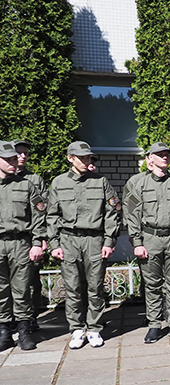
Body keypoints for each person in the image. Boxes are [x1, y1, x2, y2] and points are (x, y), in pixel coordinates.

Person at [47, 141, 121, 349]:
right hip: (69, 240)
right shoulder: (59, 183)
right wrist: (54, 244)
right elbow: (52, 215)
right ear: (70, 158)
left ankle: (94, 328)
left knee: (95, 286)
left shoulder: (100, 182)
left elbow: (112, 213)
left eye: (88, 157)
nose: (87, 160)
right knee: (73, 286)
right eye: (82, 157)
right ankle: (77, 329)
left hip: (95, 240)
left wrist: (109, 241)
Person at [123, 142, 170, 343]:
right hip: (149, 238)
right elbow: (132, 214)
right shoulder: (138, 183)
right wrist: (137, 242)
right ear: (149, 159)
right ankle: (154, 325)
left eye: (167, 154)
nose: (165, 157)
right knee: (152, 284)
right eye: (160, 154)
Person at [0, 141, 46, 351]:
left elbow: (38, 216)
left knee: (22, 288)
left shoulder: (25, 185)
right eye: (8, 159)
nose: (14, 162)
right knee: (1, 289)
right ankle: (4, 331)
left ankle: (24, 329)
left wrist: (37, 242)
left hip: (20, 242)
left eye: (14, 158)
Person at [12, 138, 47, 332]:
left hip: (28, 240)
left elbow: (42, 212)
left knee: (31, 281)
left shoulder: (34, 180)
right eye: (19, 152)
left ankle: (31, 318)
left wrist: (41, 239)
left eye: (25, 153)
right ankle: (9, 321)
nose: (23, 156)